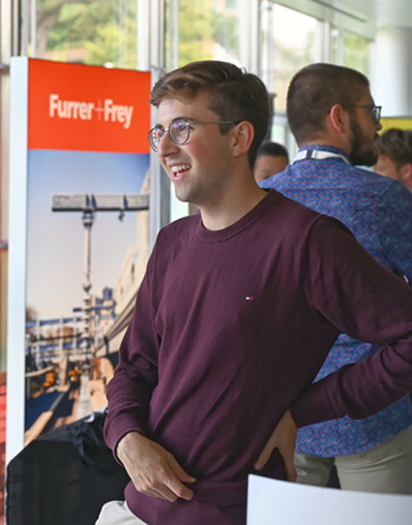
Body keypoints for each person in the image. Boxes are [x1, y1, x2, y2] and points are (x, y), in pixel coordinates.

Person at [98, 60, 412, 525]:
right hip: (143, 509)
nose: (164, 147)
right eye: (158, 131)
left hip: (240, 511)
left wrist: (305, 410)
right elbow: (136, 366)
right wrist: (126, 437)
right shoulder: (172, 244)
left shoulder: (307, 242)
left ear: (240, 138)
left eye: (181, 129)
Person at [261, 64, 412, 494]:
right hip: (373, 410)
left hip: (284, 415)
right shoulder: (381, 198)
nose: (378, 123)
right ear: (340, 117)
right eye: (370, 110)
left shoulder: (265, 199)